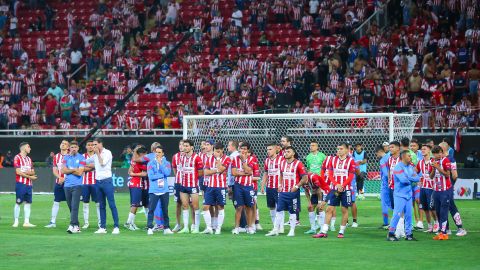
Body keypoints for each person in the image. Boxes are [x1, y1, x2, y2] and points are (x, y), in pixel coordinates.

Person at [315, 143, 356, 238]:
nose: (338, 151)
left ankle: (341, 231)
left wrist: (343, 185)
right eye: (337, 149)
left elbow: (351, 176)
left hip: (346, 189)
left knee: (344, 209)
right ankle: (324, 231)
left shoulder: (351, 161)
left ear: (346, 150)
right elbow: (329, 174)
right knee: (329, 208)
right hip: (334, 188)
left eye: (341, 149)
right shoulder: (333, 160)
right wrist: (336, 184)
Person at [266, 146, 308, 237]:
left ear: (293, 153)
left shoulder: (298, 164)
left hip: (293, 192)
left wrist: (296, 186)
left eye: (288, 152)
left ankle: (292, 230)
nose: (286, 153)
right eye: (285, 152)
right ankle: (275, 229)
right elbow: (281, 174)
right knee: (279, 210)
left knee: (292, 211)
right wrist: (280, 185)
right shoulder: (282, 163)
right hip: (283, 192)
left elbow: (305, 177)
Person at [85, 138, 120, 234]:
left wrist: (97, 154)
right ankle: (102, 227)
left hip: (107, 181)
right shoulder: (95, 155)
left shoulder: (107, 153)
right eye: (93, 145)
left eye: (95, 144)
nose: (94, 146)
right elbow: (86, 161)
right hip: (98, 182)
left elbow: (102, 163)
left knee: (112, 204)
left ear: (101, 144)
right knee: (101, 205)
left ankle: (116, 226)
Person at [387, 150, 420, 241]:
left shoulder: (410, 167)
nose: (411, 157)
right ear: (404, 157)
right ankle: (390, 234)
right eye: (409, 156)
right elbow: (403, 181)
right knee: (397, 215)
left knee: (409, 215)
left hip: (409, 195)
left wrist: (408, 177)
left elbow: (417, 178)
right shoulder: (398, 167)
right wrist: (411, 179)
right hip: (399, 195)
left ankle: (409, 234)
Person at [438, 142, 467, 237]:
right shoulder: (440, 159)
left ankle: (460, 228)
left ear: (443, 149)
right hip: (441, 189)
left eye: (439, 147)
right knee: (444, 208)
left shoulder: (450, 159)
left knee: (451, 207)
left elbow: (455, 175)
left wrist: (450, 185)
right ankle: (446, 229)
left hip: (447, 189)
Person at [202, 142, 231, 234]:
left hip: (221, 187)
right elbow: (206, 172)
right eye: (215, 151)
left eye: (218, 151)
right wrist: (216, 170)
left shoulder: (227, 159)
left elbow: (222, 169)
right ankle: (209, 228)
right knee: (205, 207)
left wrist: (218, 160)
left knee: (220, 207)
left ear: (222, 150)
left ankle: (218, 228)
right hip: (210, 186)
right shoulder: (209, 159)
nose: (216, 153)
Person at [178, 139, 203, 234]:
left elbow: (200, 173)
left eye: (187, 146)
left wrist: (193, 178)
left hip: (193, 185)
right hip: (183, 185)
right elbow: (180, 170)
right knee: (184, 206)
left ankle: (196, 228)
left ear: (192, 147)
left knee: (195, 206)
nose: (184, 147)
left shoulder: (197, 158)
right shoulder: (182, 157)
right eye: (184, 146)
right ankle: (185, 228)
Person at [146, 145, 173, 235]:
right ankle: (149, 227)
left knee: (165, 210)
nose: (157, 154)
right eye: (156, 152)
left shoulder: (167, 163)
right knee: (151, 209)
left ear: (163, 153)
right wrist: (161, 175)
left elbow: (167, 173)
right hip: (154, 190)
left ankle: (166, 228)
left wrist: (160, 164)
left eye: (159, 152)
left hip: (164, 190)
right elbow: (151, 176)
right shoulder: (150, 163)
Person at [231, 142, 257, 235]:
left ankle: (249, 227)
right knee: (239, 207)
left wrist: (243, 162)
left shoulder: (252, 159)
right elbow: (234, 173)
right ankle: (236, 228)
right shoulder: (234, 159)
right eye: (241, 148)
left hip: (248, 186)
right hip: (238, 186)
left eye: (245, 149)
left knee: (249, 207)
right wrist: (245, 173)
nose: (243, 150)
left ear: (248, 150)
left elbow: (249, 171)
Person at [61, 141, 86, 234]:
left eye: (75, 147)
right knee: (70, 207)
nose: (74, 149)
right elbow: (63, 170)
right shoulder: (66, 157)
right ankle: (77, 226)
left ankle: (71, 225)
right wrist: (74, 169)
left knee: (75, 206)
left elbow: (80, 173)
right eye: (72, 147)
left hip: (77, 186)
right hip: (67, 185)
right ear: (69, 148)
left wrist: (69, 170)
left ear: (78, 148)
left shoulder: (82, 158)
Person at [260, 142, 285, 233]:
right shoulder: (267, 160)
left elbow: (283, 173)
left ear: (275, 149)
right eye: (267, 150)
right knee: (271, 207)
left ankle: (281, 227)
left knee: (280, 207)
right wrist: (262, 186)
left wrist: (281, 184)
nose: (268, 151)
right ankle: (275, 226)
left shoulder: (282, 159)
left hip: (278, 187)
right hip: (269, 187)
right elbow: (266, 173)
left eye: (270, 149)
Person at [430, 146, 453, 240]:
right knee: (438, 212)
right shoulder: (433, 161)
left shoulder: (445, 160)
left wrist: (437, 167)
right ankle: (441, 232)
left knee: (443, 212)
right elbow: (431, 176)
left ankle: (444, 233)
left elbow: (447, 174)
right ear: (433, 154)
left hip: (445, 191)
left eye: (440, 152)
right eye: (437, 153)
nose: (439, 154)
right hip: (436, 191)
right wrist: (434, 169)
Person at [46, 140, 70, 228]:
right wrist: (60, 177)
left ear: (68, 147)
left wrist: (65, 178)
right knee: (56, 201)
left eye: (65, 144)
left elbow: (72, 170)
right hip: (59, 182)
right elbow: (54, 170)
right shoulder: (56, 156)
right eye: (62, 143)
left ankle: (73, 222)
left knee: (71, 202)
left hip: (69, 183)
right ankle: (52, 222)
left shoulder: (71, 156)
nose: (63, 145)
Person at [13, 142, 37, 228]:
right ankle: (16, 221)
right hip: (21, 184)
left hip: (29, 184)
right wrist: (29, 175)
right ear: (23, 148)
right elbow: (18, 172)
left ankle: (26, 222)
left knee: (28, 203)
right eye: (28, 147)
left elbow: (33, 171)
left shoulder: (29, 159)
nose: (30, 148)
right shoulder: (17, 157)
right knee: (18, 202)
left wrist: (27, 172)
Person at [415, 144, 439, 233]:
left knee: (432, 208)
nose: (422, 150)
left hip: (432, 188)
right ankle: (430, 226)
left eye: (424, 149)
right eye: (421, 149)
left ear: (429, 150)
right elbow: (414, 171)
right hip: (423, 188)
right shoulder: (420, 162)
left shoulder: (434, 161)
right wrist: (417, 179)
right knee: (424, 208)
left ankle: (437, 223)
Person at [125, 145, 148, 230]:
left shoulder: (133, 161)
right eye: (144, 154)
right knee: (135, 204)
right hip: (136, 184)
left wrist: (133, 174)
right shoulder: (141, 163)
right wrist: (138, 174)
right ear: (141, 154)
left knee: (135, 204)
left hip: (133, 184)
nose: (145, 156)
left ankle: (132, 223)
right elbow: (144, 174)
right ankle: (128, 223)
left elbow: (129, 172)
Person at [81, 139, 100, 229]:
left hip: (95, 182)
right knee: (85, 203)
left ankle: (100, 222)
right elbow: (81, 168)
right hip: (84, 183)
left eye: (92, 145)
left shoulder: (98, 155)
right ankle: (86, 223)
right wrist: (93, 166)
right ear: (86, 146)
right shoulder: (82, 156)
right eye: (88, 145)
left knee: (98, 203)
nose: (90, 146)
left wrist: (87, 166)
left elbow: (99, 165)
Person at [376, 145, 391, 229]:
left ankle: (386, 223)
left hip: (386, 185)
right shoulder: (390, 157)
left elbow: (385, 174)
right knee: (393, 203)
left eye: (376, 153)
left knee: (385, 204)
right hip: (393, 184)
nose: (376, 155)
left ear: (379, 152)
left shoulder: (382, 160)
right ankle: (401, 221)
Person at [171, 140, 184, 232]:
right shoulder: (175, 156)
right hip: (178, 183)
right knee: (178, 204)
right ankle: (178, 224)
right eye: (180, 144)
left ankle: (193, 225)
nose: (181, 146)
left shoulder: (191, 156)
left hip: (189, 183)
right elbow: (175, 169)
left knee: (191, 204)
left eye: (183, 144)